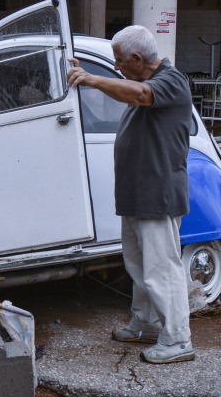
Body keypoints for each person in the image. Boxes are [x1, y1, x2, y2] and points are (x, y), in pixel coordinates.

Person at [67, 25, 195, 364]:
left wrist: (90, 79)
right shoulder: (146, 82)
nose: (118, 67)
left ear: (138, 59)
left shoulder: (171, 81)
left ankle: (178, 338)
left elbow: (138, 94)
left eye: (121, 62)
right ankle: (146, 323)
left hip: (158, 193)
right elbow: (131, 90)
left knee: (162, 267)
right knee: (140, 266)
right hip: (137, 193)